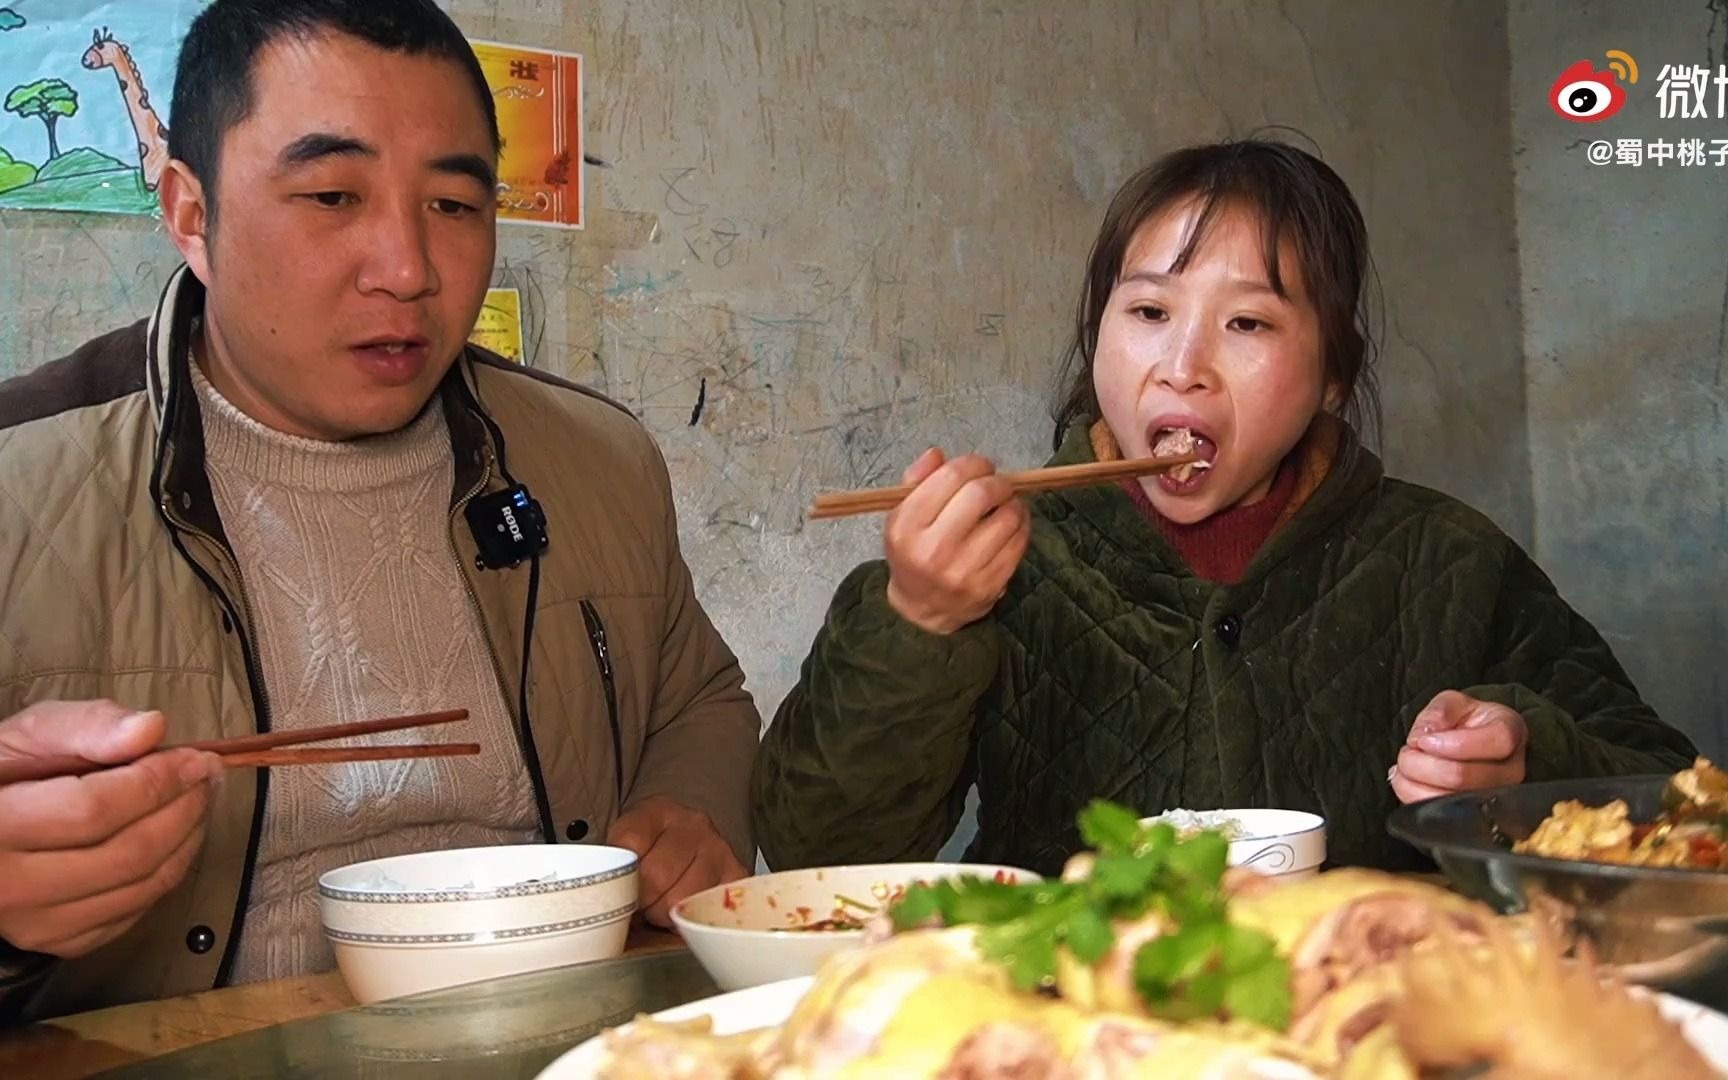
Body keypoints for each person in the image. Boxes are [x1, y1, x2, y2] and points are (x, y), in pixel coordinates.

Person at [0, 0, 755, 1023]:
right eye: (331, 195)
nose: (407, 270)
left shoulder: (599, 460)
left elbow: (697, 695)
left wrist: (692, 810)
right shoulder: (21, 478)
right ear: (190, 214)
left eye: (453, 204)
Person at [752, 138, 1698, 877]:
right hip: (1072, 1020)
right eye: (1148, 312)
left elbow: (1670, 793)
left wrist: (1525, 761)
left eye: (1247, 322)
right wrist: (917, 623)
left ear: (1332, 376)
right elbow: (813, 857)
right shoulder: (1000, 564)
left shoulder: (1449, 557)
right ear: (1099, 334)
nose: (1183, 366)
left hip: (1365, 1014)